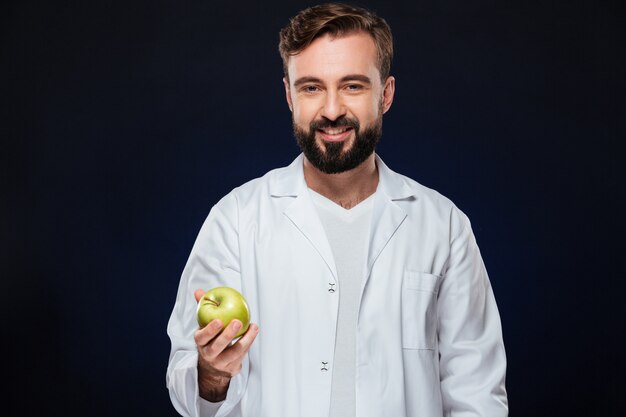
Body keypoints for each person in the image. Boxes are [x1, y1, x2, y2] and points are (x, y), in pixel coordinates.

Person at [166, 3, 508, 416]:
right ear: (289, 95)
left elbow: (477, 393)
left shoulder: (443, 226)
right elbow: (191, 395)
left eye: (352, 86)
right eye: (312, 87)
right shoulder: (237, 220)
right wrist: (213, 373)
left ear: (386, 94)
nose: (331, 110)